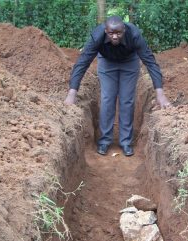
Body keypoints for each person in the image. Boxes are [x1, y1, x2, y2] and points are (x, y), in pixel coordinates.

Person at [64, 15, 171, 156]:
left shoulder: (134, 35)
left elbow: (150, 61)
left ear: (124, 30)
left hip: (129, 63)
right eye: (111, 33)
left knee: (127, 100)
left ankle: (126, 142)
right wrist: (72, 94)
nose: (114, 37)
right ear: (105, 31)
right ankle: (104, 141)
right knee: (108, 98)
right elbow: (82, 62)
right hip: (107, 63)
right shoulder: (97, 36)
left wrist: (160, 94)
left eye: (118, 33)